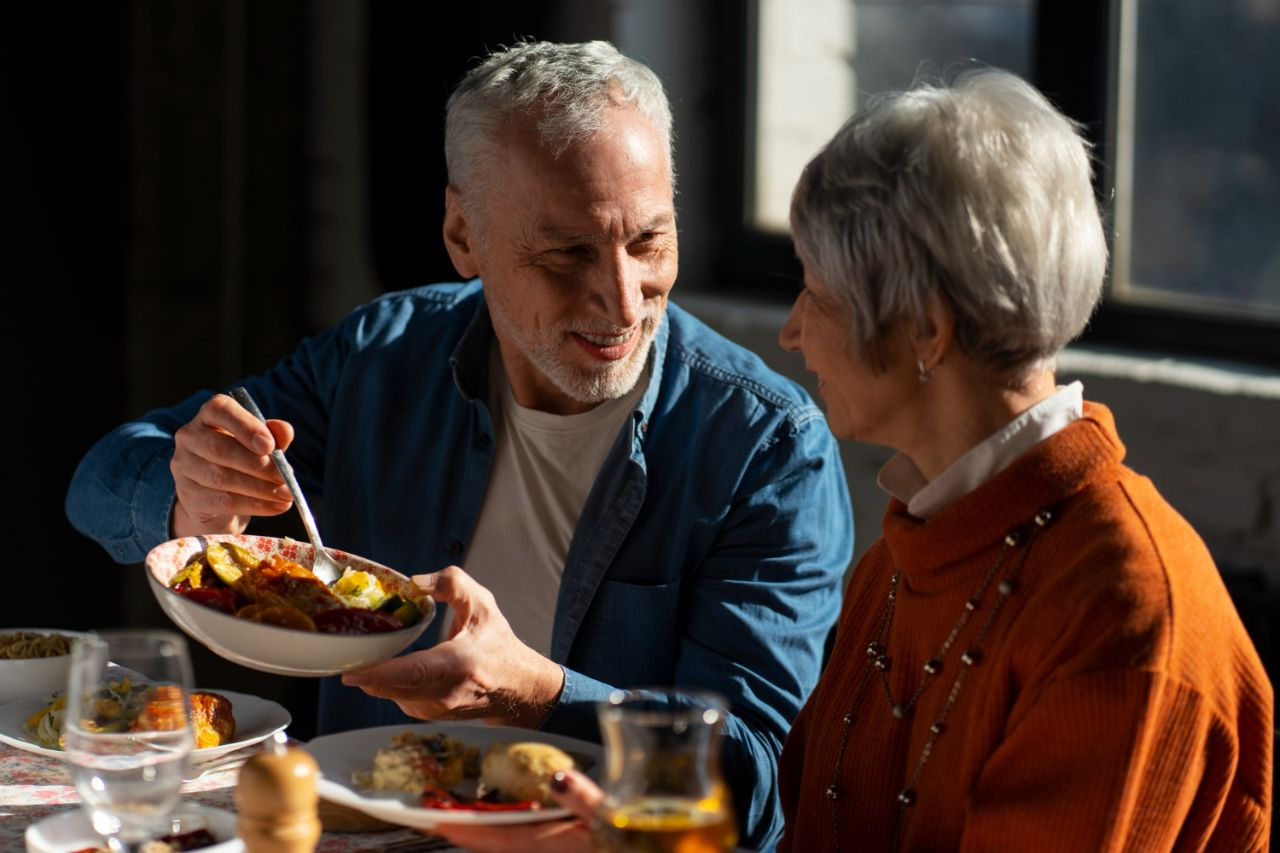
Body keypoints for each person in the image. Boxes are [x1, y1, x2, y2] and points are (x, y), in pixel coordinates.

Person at [434, 68, 1274, 853]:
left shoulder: (1123, 612)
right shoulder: (907, 554)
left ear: (924, 331)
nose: (794, 331)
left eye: (818, 294)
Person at [63, 40, 854, 849]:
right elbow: (97, 481)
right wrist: (189, 494)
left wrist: (535, 693)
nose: (621, 298)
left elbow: (755, 790)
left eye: (648, 242)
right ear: (462, 234)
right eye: (567, 253)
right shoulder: (382, 356)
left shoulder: (769, 449)